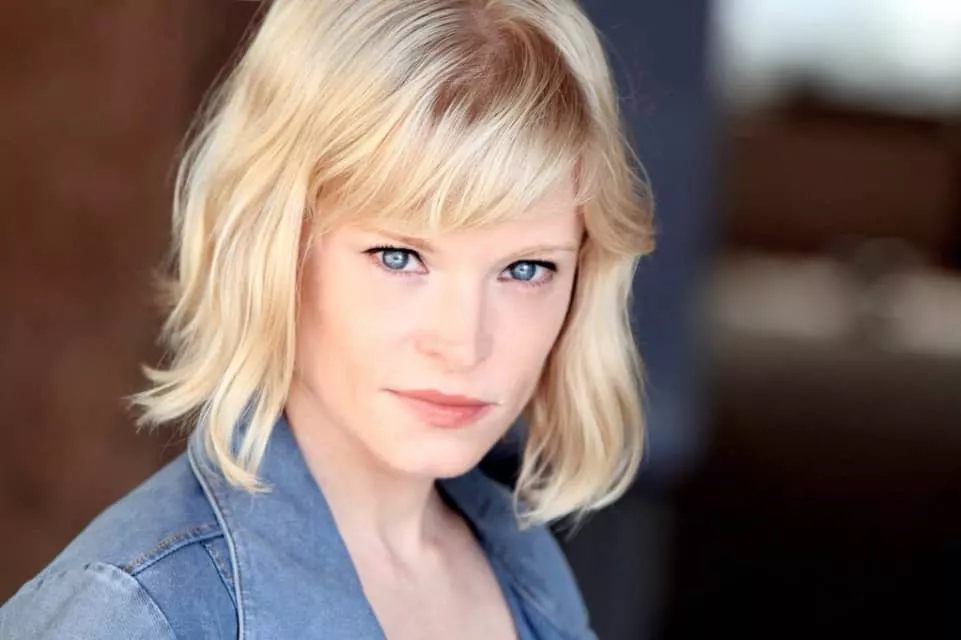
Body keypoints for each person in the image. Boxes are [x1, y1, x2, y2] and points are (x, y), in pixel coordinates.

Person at [0, 0, 654, 637]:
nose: (462, 344)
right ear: (272, 245)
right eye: (398, 257)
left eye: (525, 269)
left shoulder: (522, 564)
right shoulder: (137, 612)